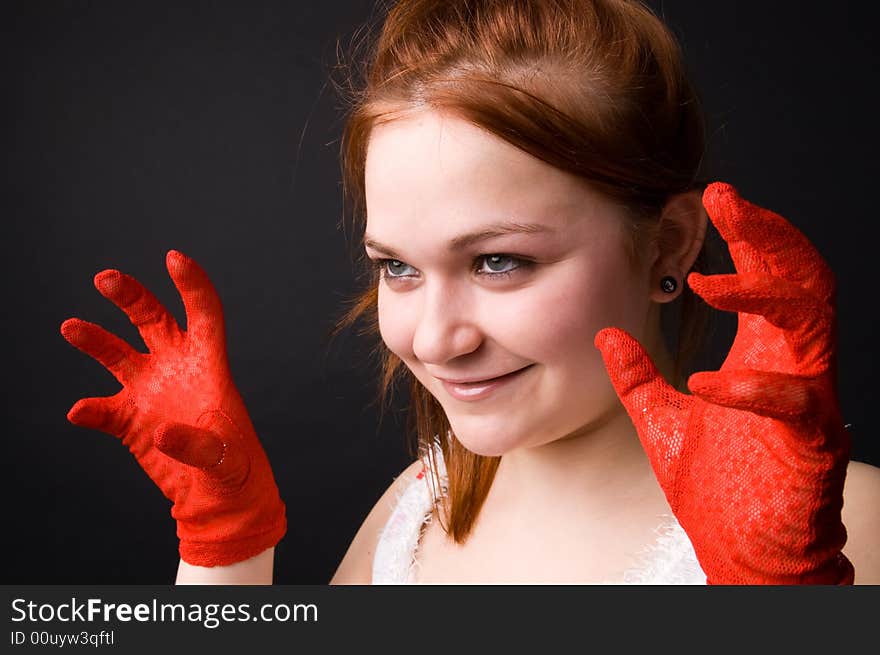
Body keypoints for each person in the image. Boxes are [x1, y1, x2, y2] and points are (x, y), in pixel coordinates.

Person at [60, 0, 880, 585]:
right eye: (398, 268)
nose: (434, 338)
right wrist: (225, 550)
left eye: (498, 262)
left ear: (666, 243)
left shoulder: (852, 525)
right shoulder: (418, 507)